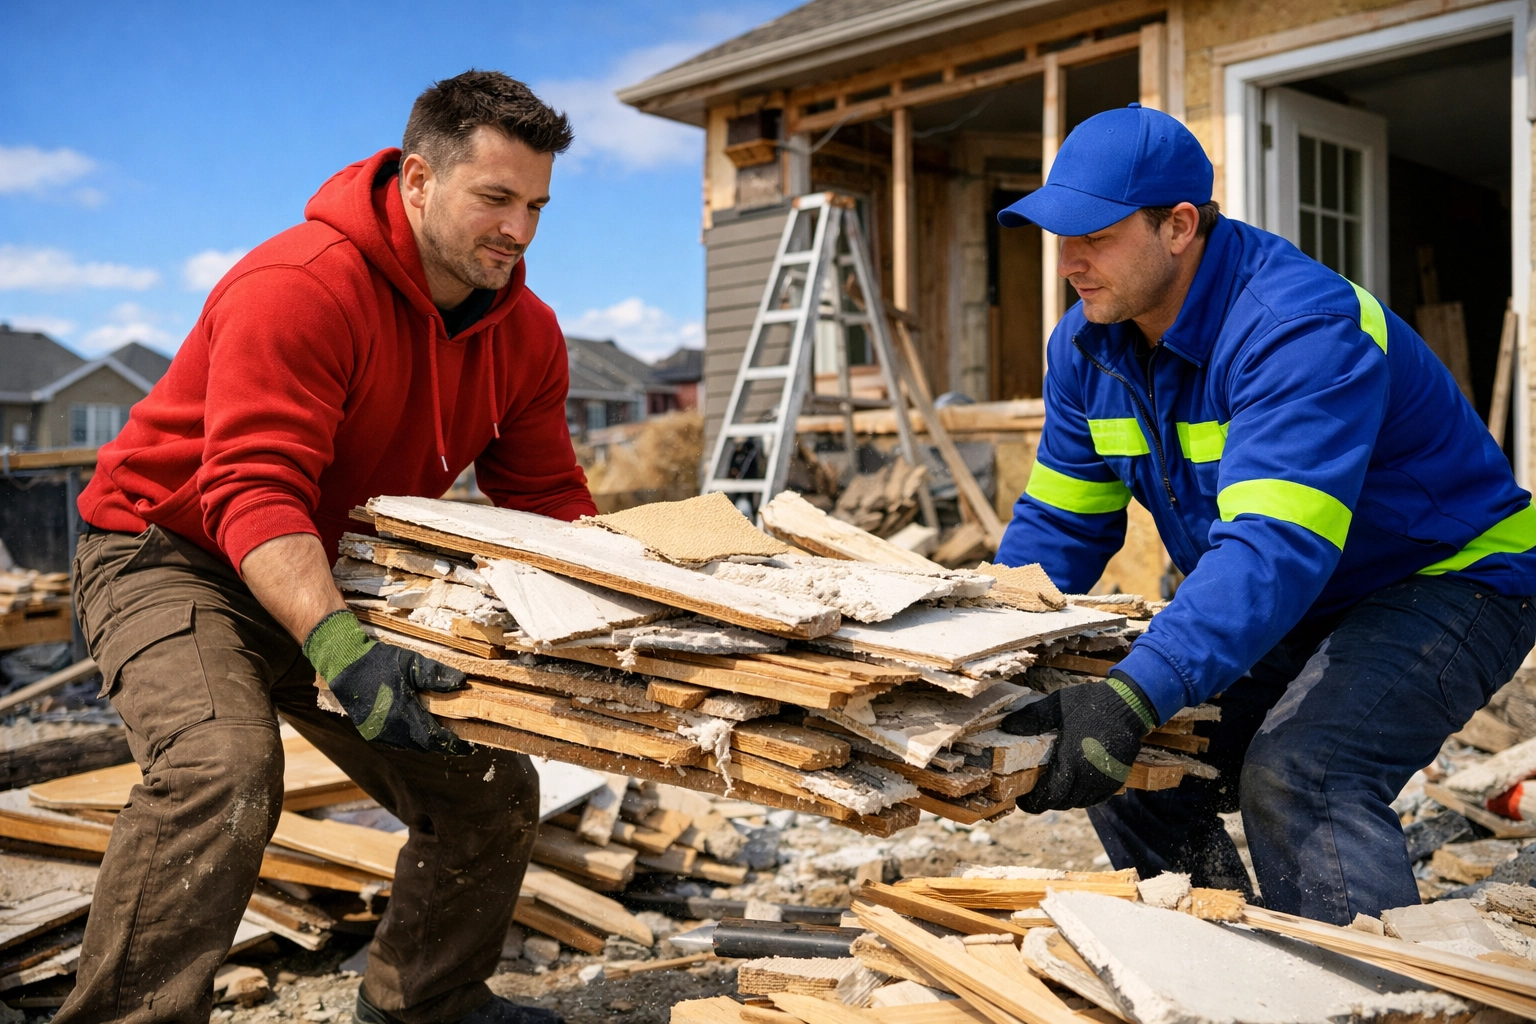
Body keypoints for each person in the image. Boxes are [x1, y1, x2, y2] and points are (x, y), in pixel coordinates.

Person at [60, 71, 592, 1024]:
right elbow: (252, 489)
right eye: (496, 199)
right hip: (169, 551)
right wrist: (339, 648)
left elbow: (547, 498)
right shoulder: (299, 286)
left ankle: (424, 1003)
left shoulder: (529, 334)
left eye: (537, 205)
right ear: (420, 180)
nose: (519, 229)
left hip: (334, 563)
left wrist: (619, 621)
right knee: (221, 769)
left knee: (490, 783)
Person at [994, 103, 1536, 924]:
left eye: (1094, 236)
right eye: (1059, 237)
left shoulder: (1298, 328)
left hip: (1454, 575)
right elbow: (1060, 526)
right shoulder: (1085, 349)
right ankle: (1223, 970)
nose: (1069, 261)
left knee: (1303, 771)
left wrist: (1134, 691)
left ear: (1178, 226)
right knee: (1134, 761)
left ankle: (1382, 1001)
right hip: (1300, 589)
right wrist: (981, 656)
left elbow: (1272, 548)